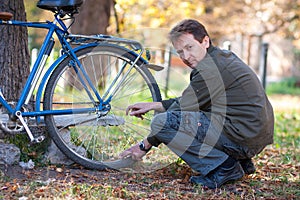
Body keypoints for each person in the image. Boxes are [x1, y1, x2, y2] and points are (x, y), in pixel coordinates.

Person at [119, 19, 274, 189]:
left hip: (244, 135)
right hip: (252, 133)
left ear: (205, 41)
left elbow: (181, 110)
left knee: (162, 122)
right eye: (180, 52)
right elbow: (191, 102)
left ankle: (224, 168)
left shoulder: (210, 69)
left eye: (189, 47)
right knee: (184, 116)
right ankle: (238, 161)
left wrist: (144, 145)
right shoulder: (220, 58)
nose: (185, 57)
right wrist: (154, 105)